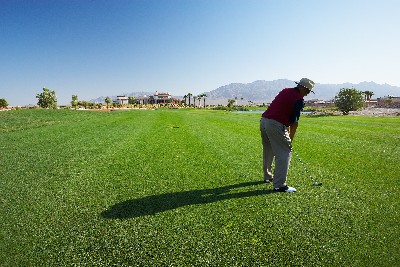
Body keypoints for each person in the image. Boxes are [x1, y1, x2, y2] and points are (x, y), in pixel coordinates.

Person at [260, 78, 315, 192]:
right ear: (303, 88)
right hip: (275, 124)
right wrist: (290, 140)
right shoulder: (299, 100)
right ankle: (279, 185)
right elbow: (294, 123)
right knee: (285, 153)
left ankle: (268, 177)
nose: (308, 93)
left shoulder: (285, 90)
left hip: (264, 121)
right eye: (308, 90)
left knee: (268, 149)